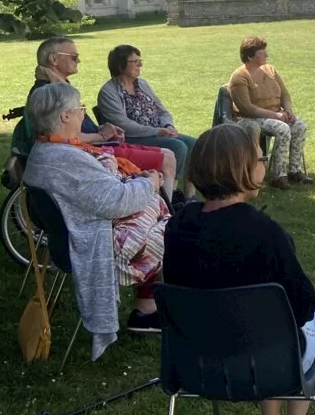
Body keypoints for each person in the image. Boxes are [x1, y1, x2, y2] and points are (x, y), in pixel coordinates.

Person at [164, 123, 315, 415]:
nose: (264, 164)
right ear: (239, 169)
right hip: (262, 362)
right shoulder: (264, 232)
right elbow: (302, 305)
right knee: (308, 323)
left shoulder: (177, 225)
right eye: (260, 158)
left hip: (198, 361)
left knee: (267, 328)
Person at [23, 82, 168, 354]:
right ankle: (168, 312)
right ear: (65, 116)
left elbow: (102, 193)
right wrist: (149, 183)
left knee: (167, 217)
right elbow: (117, 202)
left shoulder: (46, 150)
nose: (82, 114)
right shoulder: (63, 159)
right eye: (79, 108)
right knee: (179, 233)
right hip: (97, 245)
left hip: (76, 236)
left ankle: (148, 309)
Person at [31, 36, 179, 204]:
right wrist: (102, 136)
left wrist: (103, 131)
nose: (78, 60)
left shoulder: (57, 88)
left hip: (98, 145)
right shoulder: (50, 93)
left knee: (170, 153)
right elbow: (65, 137)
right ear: (54, 59)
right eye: (73, 56)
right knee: (168, 157)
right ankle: (167, 209)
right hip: (94, 150)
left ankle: (173, 201)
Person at [96, 44, 198, 182]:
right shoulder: (109, 92)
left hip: (159, 132)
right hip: (134, 137)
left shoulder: (142, 84)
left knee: (196, 144)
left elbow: (162, 110)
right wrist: (156, 131)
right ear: (120, 66)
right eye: (135, 62)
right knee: (178, 147)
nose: (140, 65)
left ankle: (189, 195)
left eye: (141, 61)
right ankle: (173, 193)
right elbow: (123, 125)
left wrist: (168, 126)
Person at [228, 36, 313, 190]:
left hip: (276, 113)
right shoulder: (239, 77)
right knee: (283, 128)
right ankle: (279, 176)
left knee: (299, 125)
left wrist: (288, 111)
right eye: (262, 53)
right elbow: (247, 108)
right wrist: (276, 116)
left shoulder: (270, 70)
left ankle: (294, 170)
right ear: (249, 56)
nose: (266, 55)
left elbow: (285, 95)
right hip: (251, 118)